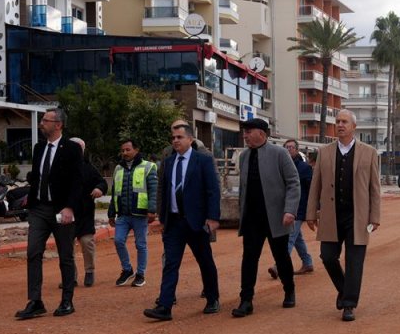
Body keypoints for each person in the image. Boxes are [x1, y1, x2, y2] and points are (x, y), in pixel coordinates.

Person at [306, 110, 381, 322]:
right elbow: (315, 185)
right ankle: (344, 289)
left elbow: (374, 187)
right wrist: (311, 213)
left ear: (353, 127)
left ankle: (349, 304)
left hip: (358, 217)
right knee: (327, 256)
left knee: (354, 261)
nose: (340, 124)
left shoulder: (369, 152)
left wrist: (375, 216)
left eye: (344, 122)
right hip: (331, 215)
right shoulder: (324, 152)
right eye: (338, 121)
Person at [144, 124, 221, 321]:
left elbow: (212, 190)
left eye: (179, 137)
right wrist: (162, 217)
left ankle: (212, 298)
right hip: (174, 222)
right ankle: (164, 306)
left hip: (196, 222)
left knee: (205, 261)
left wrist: (213, 217)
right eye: (173, 138)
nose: (175, 141)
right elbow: (163, 190)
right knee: (170, 264)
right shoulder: (169, 162)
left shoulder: (203, 160)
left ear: (190, 139)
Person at [15, 108, 83, 320]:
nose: (41, 123)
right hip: (39, 209)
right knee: (33, 252)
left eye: (46, 120)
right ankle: (35, 301)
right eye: (42, 120)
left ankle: (67, 300)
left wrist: (70, 207)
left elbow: (77, 181)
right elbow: (37, 176)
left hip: (61, 209)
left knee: (65, 255)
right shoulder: (39, 148)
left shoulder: (72, 149)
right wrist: (30, 198)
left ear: (58, 125)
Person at [232, 118, 300, 317]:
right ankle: (246, 300)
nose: (245, 136)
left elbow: (293, 182)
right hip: (252, 218)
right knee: (249, 258)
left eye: (248, 132)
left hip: (276, 217)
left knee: (281, 256)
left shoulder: (279, 154)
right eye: (244, 132)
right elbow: (243, 188)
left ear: (261, 133)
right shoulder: (244, 156)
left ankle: (289, 289)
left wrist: (290, 210)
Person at [108, 139, 158, 288]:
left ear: (136, 150)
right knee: (118, 241)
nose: (124, 153)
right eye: (123, 150)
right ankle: (127, 269)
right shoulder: (118, 168)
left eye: (128, 150)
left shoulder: (148, 167)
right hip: (123, 214)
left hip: (140, 214)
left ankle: (140, 274)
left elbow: (153, 190)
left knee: (140, 245)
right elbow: (115, 192)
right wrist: (111, 213)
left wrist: (152, 210)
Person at [269, 139, 314, 278]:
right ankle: (307, 262)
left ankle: (278, 266)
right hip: (284, 208)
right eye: (286, 147)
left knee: (289, 237)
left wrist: (313, 207)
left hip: (299, 209)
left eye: (291, 147)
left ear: (296, 150)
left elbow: (311, 189)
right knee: (297, 238)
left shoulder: (304, 168)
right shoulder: (279, 166)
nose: (288, 149)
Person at [67, 137, 108, 288]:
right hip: (64, 213)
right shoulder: (60, 167)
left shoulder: (89, 168)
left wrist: (99, 189)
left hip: (84, 213)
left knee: (86, 243)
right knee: (65, 246)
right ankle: (70, 276)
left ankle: (89, 271)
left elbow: (102, 182)